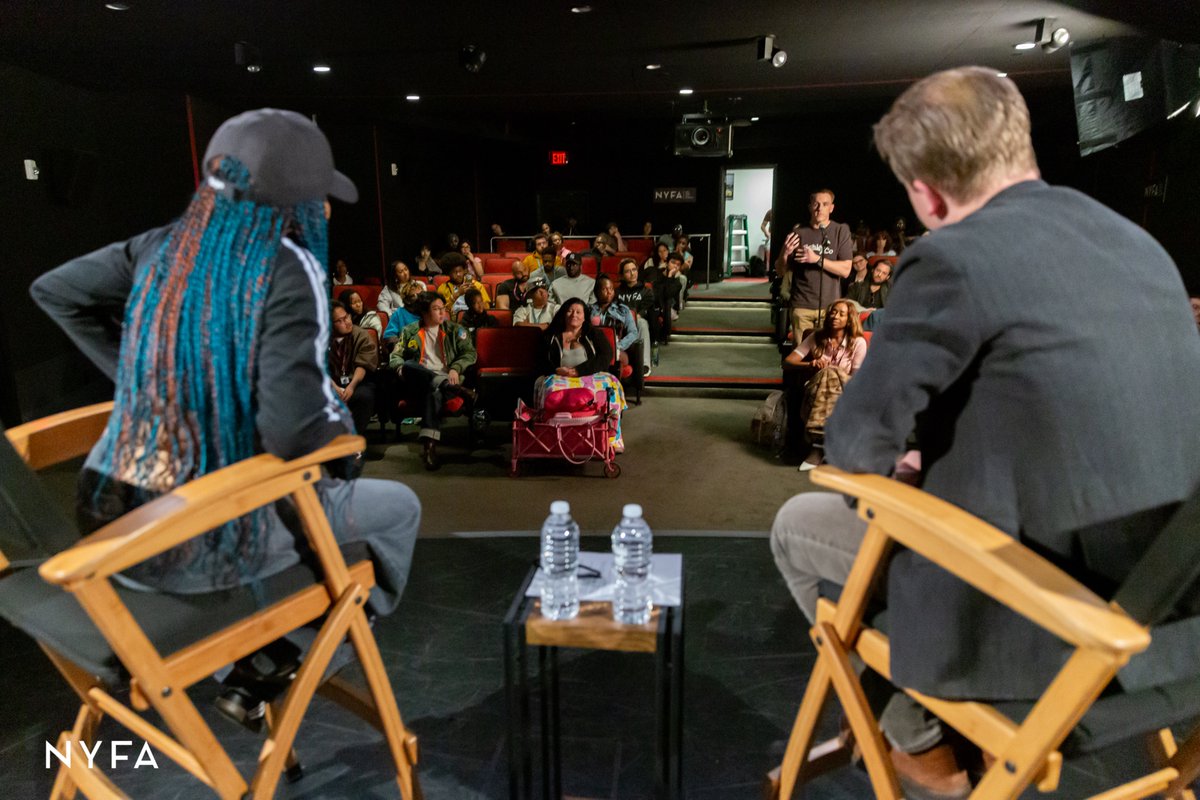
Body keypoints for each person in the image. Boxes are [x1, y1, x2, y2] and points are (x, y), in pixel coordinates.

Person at [770, 67, 1200, 797]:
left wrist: (904, 470)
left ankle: (917, 730)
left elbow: (853, 447)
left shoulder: (950, 259)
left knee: (798, 521)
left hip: (1047, 624)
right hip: (1176, 617)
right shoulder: (1141, 249)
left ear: (928, 193)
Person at [29, 109, 420, 719]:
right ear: (287, 205)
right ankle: (291, 656)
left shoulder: (162, 245)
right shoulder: (288, 269)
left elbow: (56, 290)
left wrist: (150, 378)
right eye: (316, 197)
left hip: (106, 536)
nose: (325, 211)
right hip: (190, 550)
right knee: (396, 508)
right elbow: (293, 435)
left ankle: (253, 662)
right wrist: (345, 445)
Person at [389, 291, 476, 470]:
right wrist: (399, 368)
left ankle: (429, 447)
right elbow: (395, 356)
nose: (442, 312)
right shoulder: (409, 331)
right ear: (424, 312)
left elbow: (469, 353)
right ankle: (456, 389)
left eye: (442, 308)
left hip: (445, 377)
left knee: (434, 393)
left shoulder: (454, 330)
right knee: (409, 365)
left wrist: (455, 368)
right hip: (418, 379)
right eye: (436, 309)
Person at [782, 299, 867, 470]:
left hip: (845, 389)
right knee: (826, 373)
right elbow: (788, 362)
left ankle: (818, 446)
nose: (835, 316)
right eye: (833, 312)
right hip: (815, 388)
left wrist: (834, 373)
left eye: (841, 314)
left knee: (831, 372)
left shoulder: (858, 342)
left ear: (849, 319)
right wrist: (811, 364)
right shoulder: (816, 337)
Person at [776, 190, 853, 336]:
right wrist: (784, 253)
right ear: (810, 206)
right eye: (816, 204)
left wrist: (817, 259)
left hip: (830, 308)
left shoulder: (840, 231)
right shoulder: (798, 232)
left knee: (827, 353)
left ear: (831, 208)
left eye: (825, 204)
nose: (820, 208)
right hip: (801, 306)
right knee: (801, 354)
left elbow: (846, 270)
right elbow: (780, 271)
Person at [328, 300, 378, 435]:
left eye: (347, 317)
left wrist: (351, 386)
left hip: (356, 381)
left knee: (364, 396)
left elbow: (363, 364)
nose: (347, 322)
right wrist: (333, 386)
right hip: (330, 383)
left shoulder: (360, 335)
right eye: (340, 321)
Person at [589, 273, 640, 374]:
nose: (609, 292)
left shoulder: (623, 310)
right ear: (597, 292)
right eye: (605, 289)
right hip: (594, 349)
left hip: (616, 349)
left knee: (611, 357)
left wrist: (618, 345)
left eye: (611, 289)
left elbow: (633, 333)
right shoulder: (589, 310)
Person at [614, 257, 659, 364]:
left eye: (634, 270)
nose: (632, 273)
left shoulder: (646, 291)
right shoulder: (617, 292)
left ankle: (644, 364)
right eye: (628, 271)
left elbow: (646, 310)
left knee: (641, 322)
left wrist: (634, 318)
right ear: (622, 275)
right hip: (621, 323)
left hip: (638, 322)